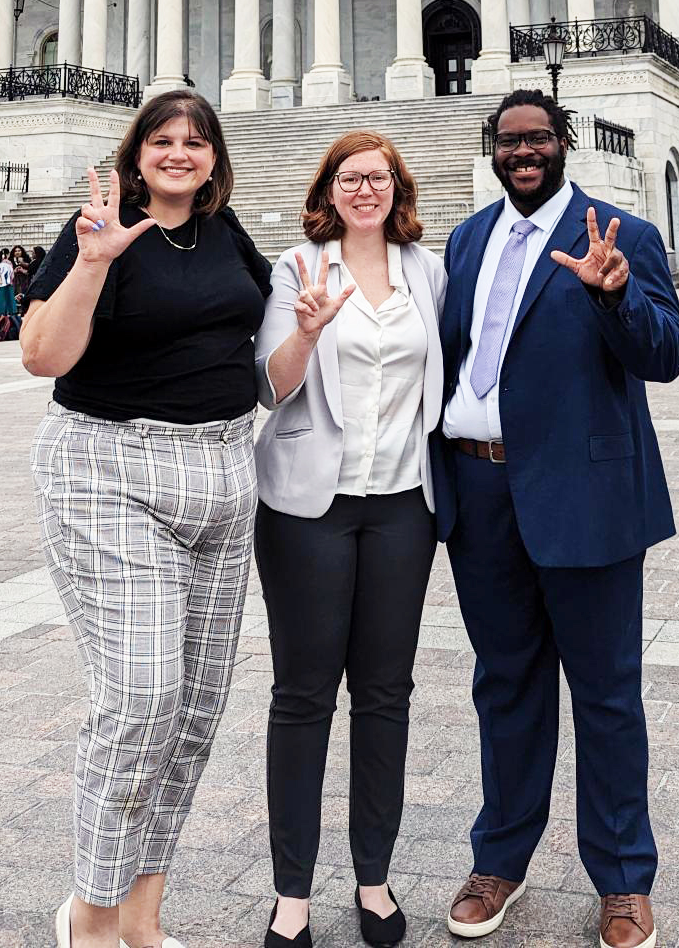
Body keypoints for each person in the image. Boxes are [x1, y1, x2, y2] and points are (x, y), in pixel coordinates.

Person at [435, 91, 679, 948]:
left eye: (539, 138)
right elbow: (450, 356)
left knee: (607, 696)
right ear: (494, 150)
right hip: (482, 495)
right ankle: (499, 862)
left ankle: (622, 879)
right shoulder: (468, 239)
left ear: (565, 143)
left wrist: (617, 297)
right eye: (509, 141)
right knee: (504, 686)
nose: (524, 153)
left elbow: (667, 355)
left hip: (586, 496)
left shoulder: (620, 234)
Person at [21, 93, 271, 948]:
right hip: (110, 468)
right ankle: (88, 915)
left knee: (195, 708)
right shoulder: (98, 229)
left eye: (195, 142)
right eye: (163, 139)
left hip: (223, 473)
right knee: (141, 696)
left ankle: (143, 919)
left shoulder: (228, 232)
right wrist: (92, 262)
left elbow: (263, 352)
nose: (179, 153)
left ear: (213, 158)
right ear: (136, 153)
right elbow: (42, 356)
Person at [253, 130, 447, 948]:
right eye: (348, 178)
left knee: (385, 695)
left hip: (403, 505)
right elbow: (269, 386)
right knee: (302, 698)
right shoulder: (295, 267)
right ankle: (290, 893)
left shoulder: (428, 272)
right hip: (310, 507)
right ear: (327, 189)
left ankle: (374, 879)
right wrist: (304, 330)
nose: (363, 190)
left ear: (396, 189)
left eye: (377, 178)